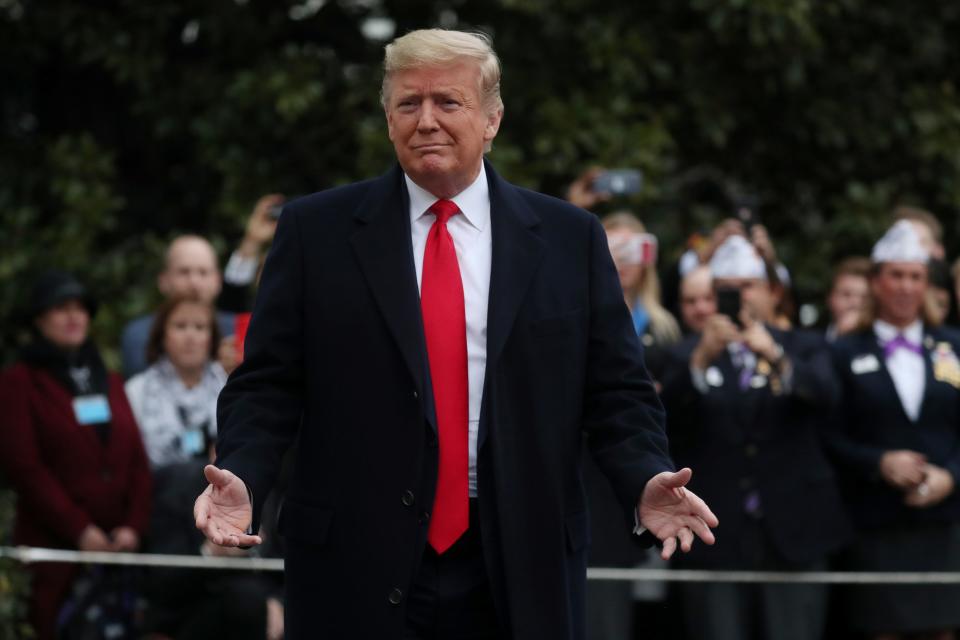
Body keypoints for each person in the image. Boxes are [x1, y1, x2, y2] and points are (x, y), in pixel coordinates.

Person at [194, 28, 717, 640]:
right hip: (356, 559)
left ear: (492, 120)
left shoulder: (569, 239)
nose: (427, 121)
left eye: (448, 102)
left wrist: (644, 475)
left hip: (520, 557)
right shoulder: (317, 233)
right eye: (408, 104)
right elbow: (268, 385)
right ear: (388, 120)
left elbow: (617, 392)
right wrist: (243, 472)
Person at [659, 235, 851, 640]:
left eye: (747, 286)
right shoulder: (686, 352)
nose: (738, 297)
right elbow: (664, 420)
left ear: (771, 291)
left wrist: (777, 356)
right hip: (715, 535)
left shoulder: (805, 345)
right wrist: (700, 361)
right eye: (726, 290)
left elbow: (829, 398)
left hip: (794, 531)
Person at [826, 221, 960, 640]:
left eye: (915, 277)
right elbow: (826, 436)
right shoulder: (843, 351)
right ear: (876, 282)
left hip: (942, 525)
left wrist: (951, 475)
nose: (905, 287)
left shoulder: (953, 346)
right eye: (896, 275)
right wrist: (878, 462)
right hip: (874, 525)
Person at [0, 271, 152, 640]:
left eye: (80, 308)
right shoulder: (18, 382)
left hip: (120, 553)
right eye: (61, 308)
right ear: (39, 320)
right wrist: (79, 529)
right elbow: (24, 467)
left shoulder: (110, 379)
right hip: (56, 556)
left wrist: (132, 526)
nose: (74, 317)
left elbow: (137, 459)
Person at [120, 194, 281, 378]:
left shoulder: (234, 331)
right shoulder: (140, 334)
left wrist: (252, 242)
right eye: (184, 272)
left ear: (218, 281)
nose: (194, 283)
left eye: (203, 273)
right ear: (163, 281)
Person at [125, 296, 227, 469]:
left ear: (212, 338)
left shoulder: (229, 385)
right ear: (162, 335)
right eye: (180, 326)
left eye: (200, 327)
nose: (190, 336)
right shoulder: (136, 390)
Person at [825, 257, 871, 342]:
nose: (855, 303)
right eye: (846, 295)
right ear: (830, 298)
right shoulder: (808, 340)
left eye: (864, 297)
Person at [679, 265, 717, 335]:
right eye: (691, 301)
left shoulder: (739, 343)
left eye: (708, 298)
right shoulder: (669, 343)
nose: (700, 308)